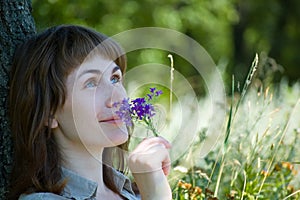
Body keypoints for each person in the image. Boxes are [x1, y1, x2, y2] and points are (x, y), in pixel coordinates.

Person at [8, 25, 171, 200]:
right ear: (49, 113)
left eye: (115, 78)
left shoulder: (136, 194)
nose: (116, 98)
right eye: (91, 83)